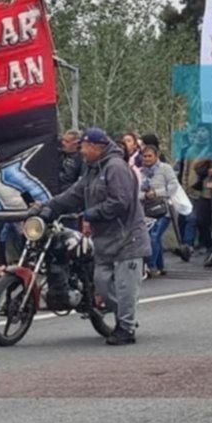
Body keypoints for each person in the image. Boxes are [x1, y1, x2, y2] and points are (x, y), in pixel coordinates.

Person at [40, 128, 146, 346]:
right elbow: (74, 194)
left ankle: (126, 328)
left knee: (126, 287)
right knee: (102, 284)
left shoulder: (116, 168)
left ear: (97, 148)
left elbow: (120, 201)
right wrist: (49, 207)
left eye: (85, 147)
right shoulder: (91, 169)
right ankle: (125, 319)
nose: (82, 152)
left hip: (127, 237)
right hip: (105, 238)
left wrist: (93, 213)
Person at [138, 143, 179, 277]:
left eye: (150, 156)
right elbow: (134, 192)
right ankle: (160, 265)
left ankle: (151, 266)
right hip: (147, 210)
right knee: (155, 237)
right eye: (145, 156)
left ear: (156, 156)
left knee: (154, 236)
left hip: (163, 209)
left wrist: (157, 192)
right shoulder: (139, 172)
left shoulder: (165, 168)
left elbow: (174, 186)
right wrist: (145, 195)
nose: (147, 159)